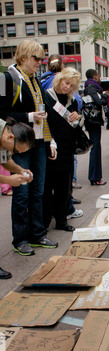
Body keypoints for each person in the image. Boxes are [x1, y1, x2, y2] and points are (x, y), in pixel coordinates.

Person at [0, 40, 58, 256]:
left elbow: (45, 113)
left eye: (42, 59)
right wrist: (28, 116)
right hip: (18, 143)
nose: (40, 63)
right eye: (37, 58)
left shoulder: (35, 81)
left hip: (39, 141)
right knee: (22, 191)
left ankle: (37, 234)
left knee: (37, 190)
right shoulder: (5, 78)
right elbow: (0, 113)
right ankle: (20, 239)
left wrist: (50, 140)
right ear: (24, 56)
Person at [43, 68, 83, 232]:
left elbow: (76, 126)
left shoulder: (72, 101)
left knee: (64, 188)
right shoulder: (46, 97)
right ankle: (44, 222)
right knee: (46, 188)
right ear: (59, 79)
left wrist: (78, 118)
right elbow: (44, 124)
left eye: (72, 85)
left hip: (67, 149)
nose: (68, 87)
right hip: (50, 148)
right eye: (67, 83)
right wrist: (50, 142)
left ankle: (61, 220)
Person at [0, 117, 35, 277]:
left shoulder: (4, 134)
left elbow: (5, 160)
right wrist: (7, 180)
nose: (12, 154)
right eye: (15, 151)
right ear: (11, 137)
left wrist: (21, 170)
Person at [84, 69, 107, 185]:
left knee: (96, 147)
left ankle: (95, 176)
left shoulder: (88, 86)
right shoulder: (92, 87)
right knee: (95, 148)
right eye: (98, 75)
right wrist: (104, 97)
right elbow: (99, 102)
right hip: (94, 121)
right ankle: (95, 177)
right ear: (95, 76)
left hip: (92, 121)